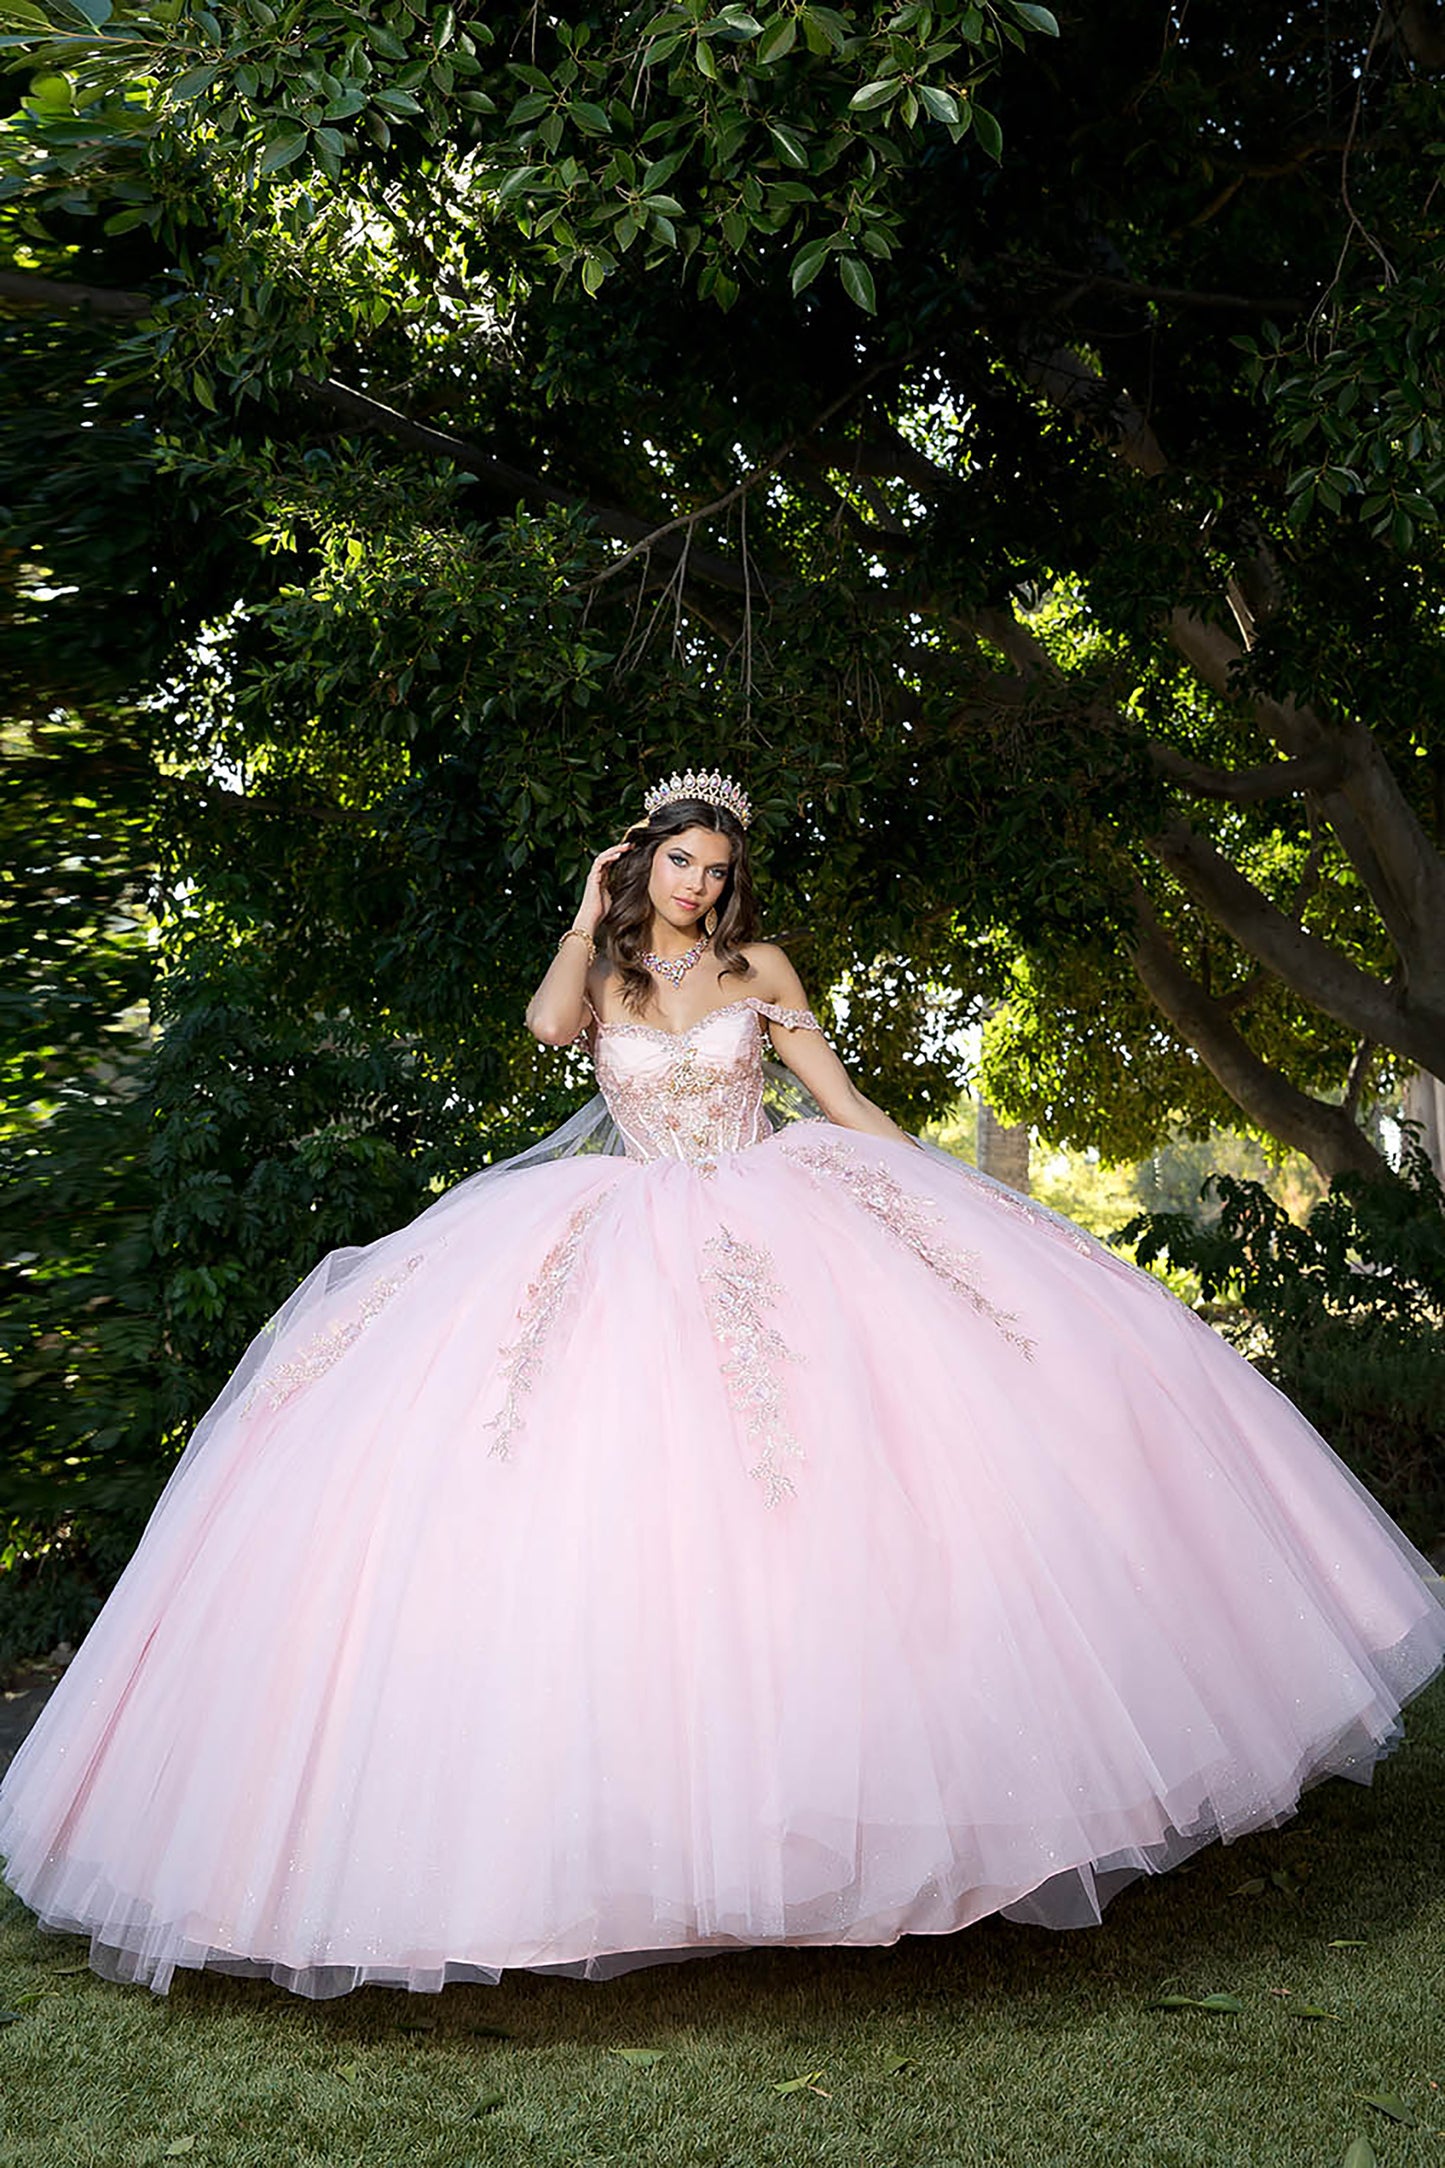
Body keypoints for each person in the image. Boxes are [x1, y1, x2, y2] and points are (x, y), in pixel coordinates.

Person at [2, 768, 1443, 2003]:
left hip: (773, 1212)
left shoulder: (761, 973)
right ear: (646, 865)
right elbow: (548, 1033)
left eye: (717, 868)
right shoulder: (614, 969)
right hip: (623, 1233)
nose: (700, 887)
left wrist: (939, 1198)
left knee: (837, 1486)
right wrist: (586, 904)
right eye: (681, 864)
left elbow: (843, 1105)